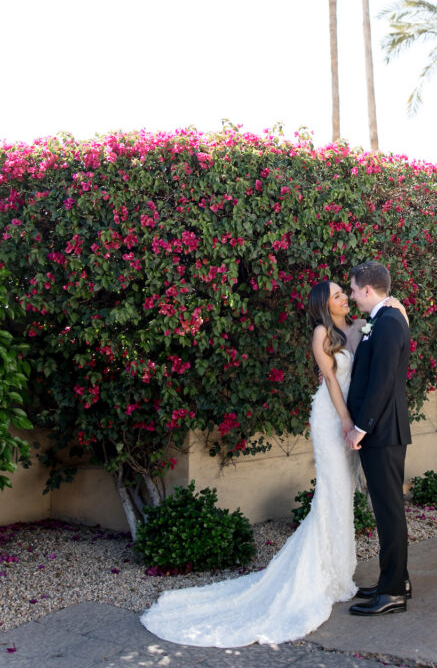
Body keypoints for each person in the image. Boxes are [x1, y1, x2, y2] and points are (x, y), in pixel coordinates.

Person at [140, 278, 407, 647]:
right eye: (337, 295)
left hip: (360, 421)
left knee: (345, 496)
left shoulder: (362, 326)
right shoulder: (321, 334)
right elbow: (330, 381)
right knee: (331, 493)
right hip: (334, 419)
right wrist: (347, 422)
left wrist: (395, 304)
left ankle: (340, 574)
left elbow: (386, 325)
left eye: (346, 293)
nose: (345, 298)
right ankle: (320, 576)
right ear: (323, 305)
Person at [345, 260, 412, 616]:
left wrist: (361, 426)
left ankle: (392, 592)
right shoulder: (383, 320)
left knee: (389, 512)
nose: (352, 294)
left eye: (354, 289)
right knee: (388, 510)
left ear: (368, 289)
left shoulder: (387, 323)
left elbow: (382, 382)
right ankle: (396, 579)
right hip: (384, 431)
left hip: (383, 432)